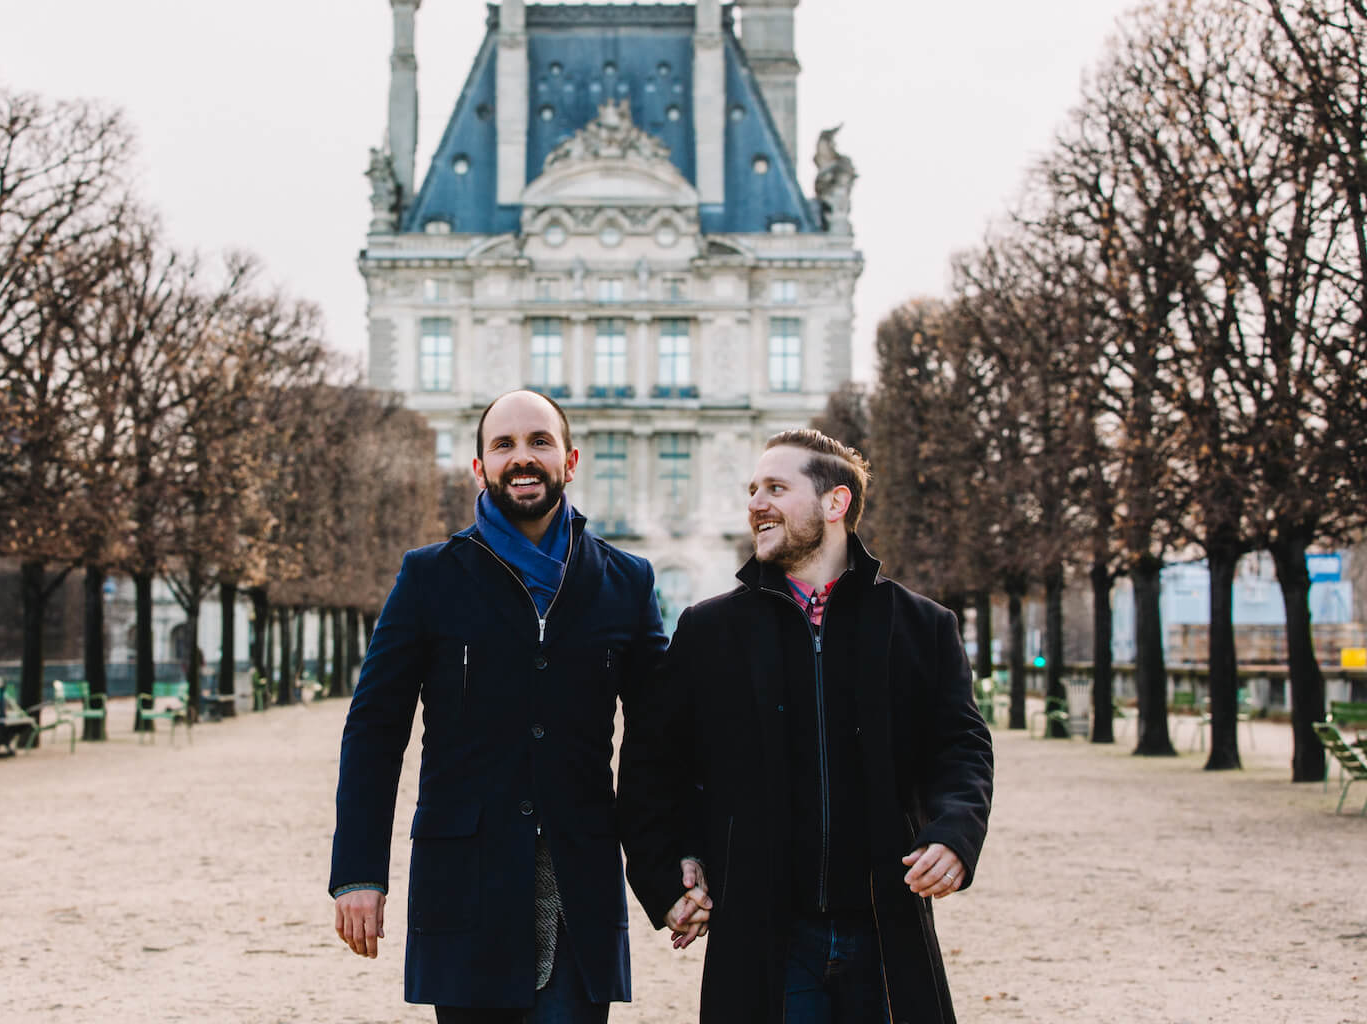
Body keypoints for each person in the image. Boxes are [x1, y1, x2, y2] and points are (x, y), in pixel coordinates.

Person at [618, 429, 993, 1024]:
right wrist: (668, 870)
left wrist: (953, 833)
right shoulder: (708, 630)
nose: (756, 503)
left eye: (776, 488)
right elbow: (651, 766)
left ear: (835, 503)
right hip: (762, 936)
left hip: (885, 928)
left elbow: (961, 747)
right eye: (752, 490)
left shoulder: (923, 626)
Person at [330, 389, 668, 1023]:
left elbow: (662, 738)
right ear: (479, 467)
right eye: (504, 444)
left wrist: (678, 863)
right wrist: (358, 874)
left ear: (570, 460)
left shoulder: (627, 582)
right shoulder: (428, 577)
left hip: (579, 888)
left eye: (539, 442)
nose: (523, 457)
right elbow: (374, 730)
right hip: (465, 886)